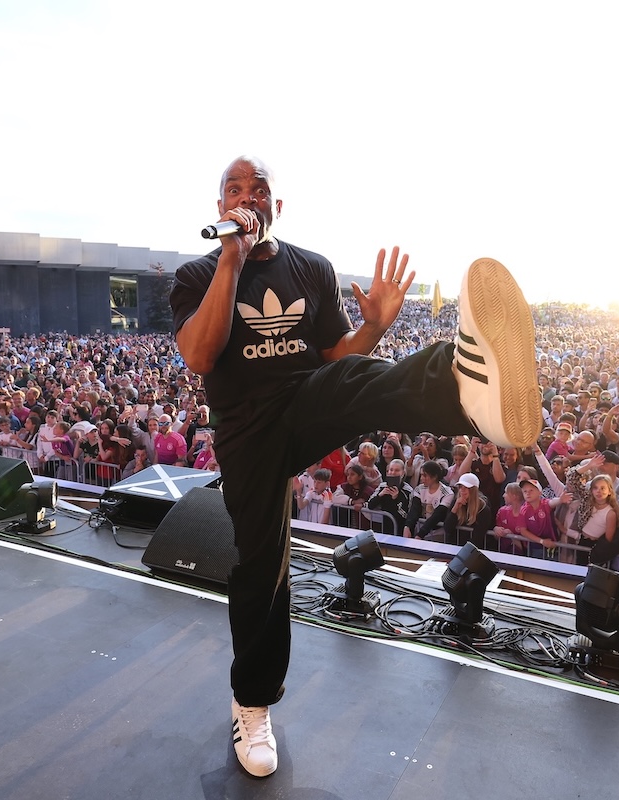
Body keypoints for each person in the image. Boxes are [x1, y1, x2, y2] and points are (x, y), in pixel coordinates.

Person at [170, 156, 540, 778]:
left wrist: (372, 325)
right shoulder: (195, 274)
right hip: (245, 432)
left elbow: (336, 357)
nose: (248, 197)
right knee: (262, 561)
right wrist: (231, 261)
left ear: (277, 206)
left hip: (302, 401)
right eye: (234, 190)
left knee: (352, 375)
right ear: (219, 207)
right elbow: (202, 355)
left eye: (260, 189)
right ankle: (252, 702)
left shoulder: (311, 268)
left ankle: (464, 385)